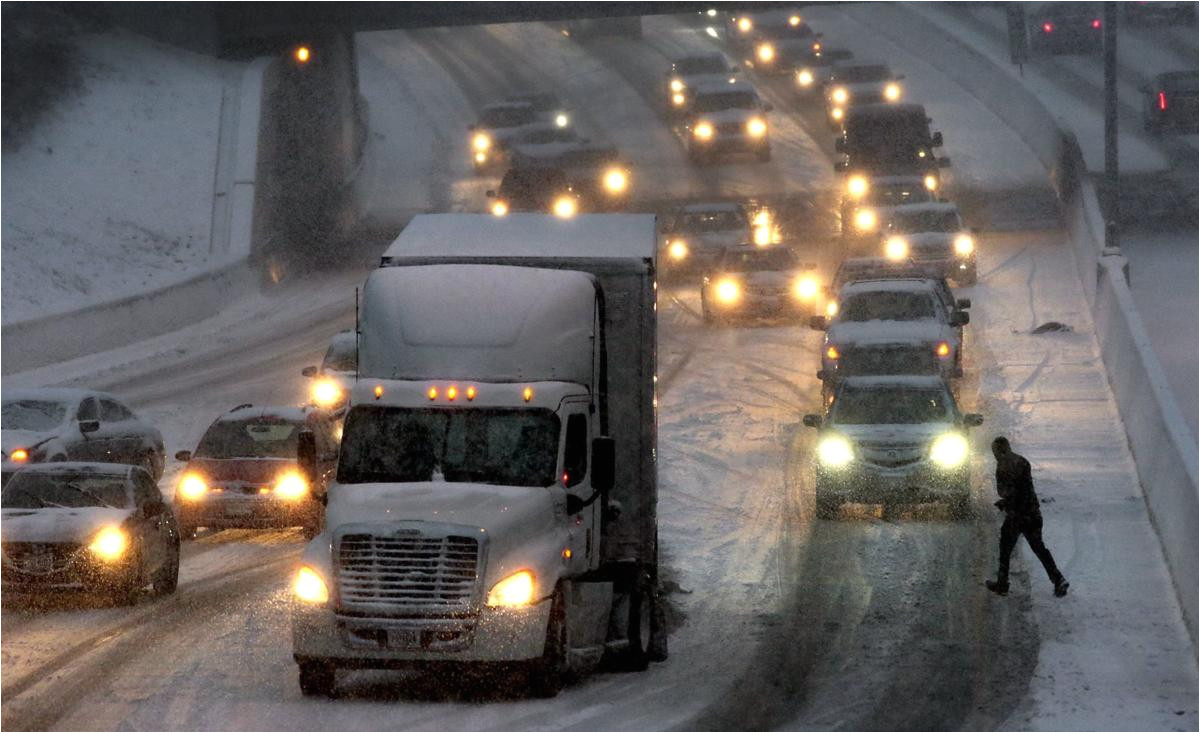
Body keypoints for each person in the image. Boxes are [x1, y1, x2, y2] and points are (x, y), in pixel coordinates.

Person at [986, 436, 1069, 598]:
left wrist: (1005, 502)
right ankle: (1058, 579)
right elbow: (1023, 489)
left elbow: (1005, 492)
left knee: (1005, 548)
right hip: (1033, 513)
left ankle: (1002, 583)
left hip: (1017, 516)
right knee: (1039, 548)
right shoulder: (1022, 461)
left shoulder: (1002, 466)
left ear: (996, 451)